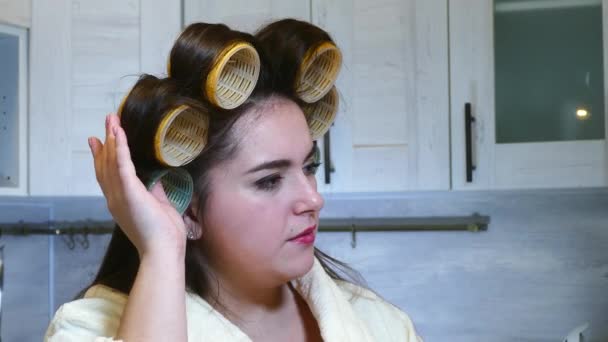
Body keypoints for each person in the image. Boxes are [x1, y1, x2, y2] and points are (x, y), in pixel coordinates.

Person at [44, 19, 422, 342]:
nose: (312, 199)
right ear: (189, 210)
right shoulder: (86, 328)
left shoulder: (380, 325)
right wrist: (161, 249)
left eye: (309, 167)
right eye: (270, 180)